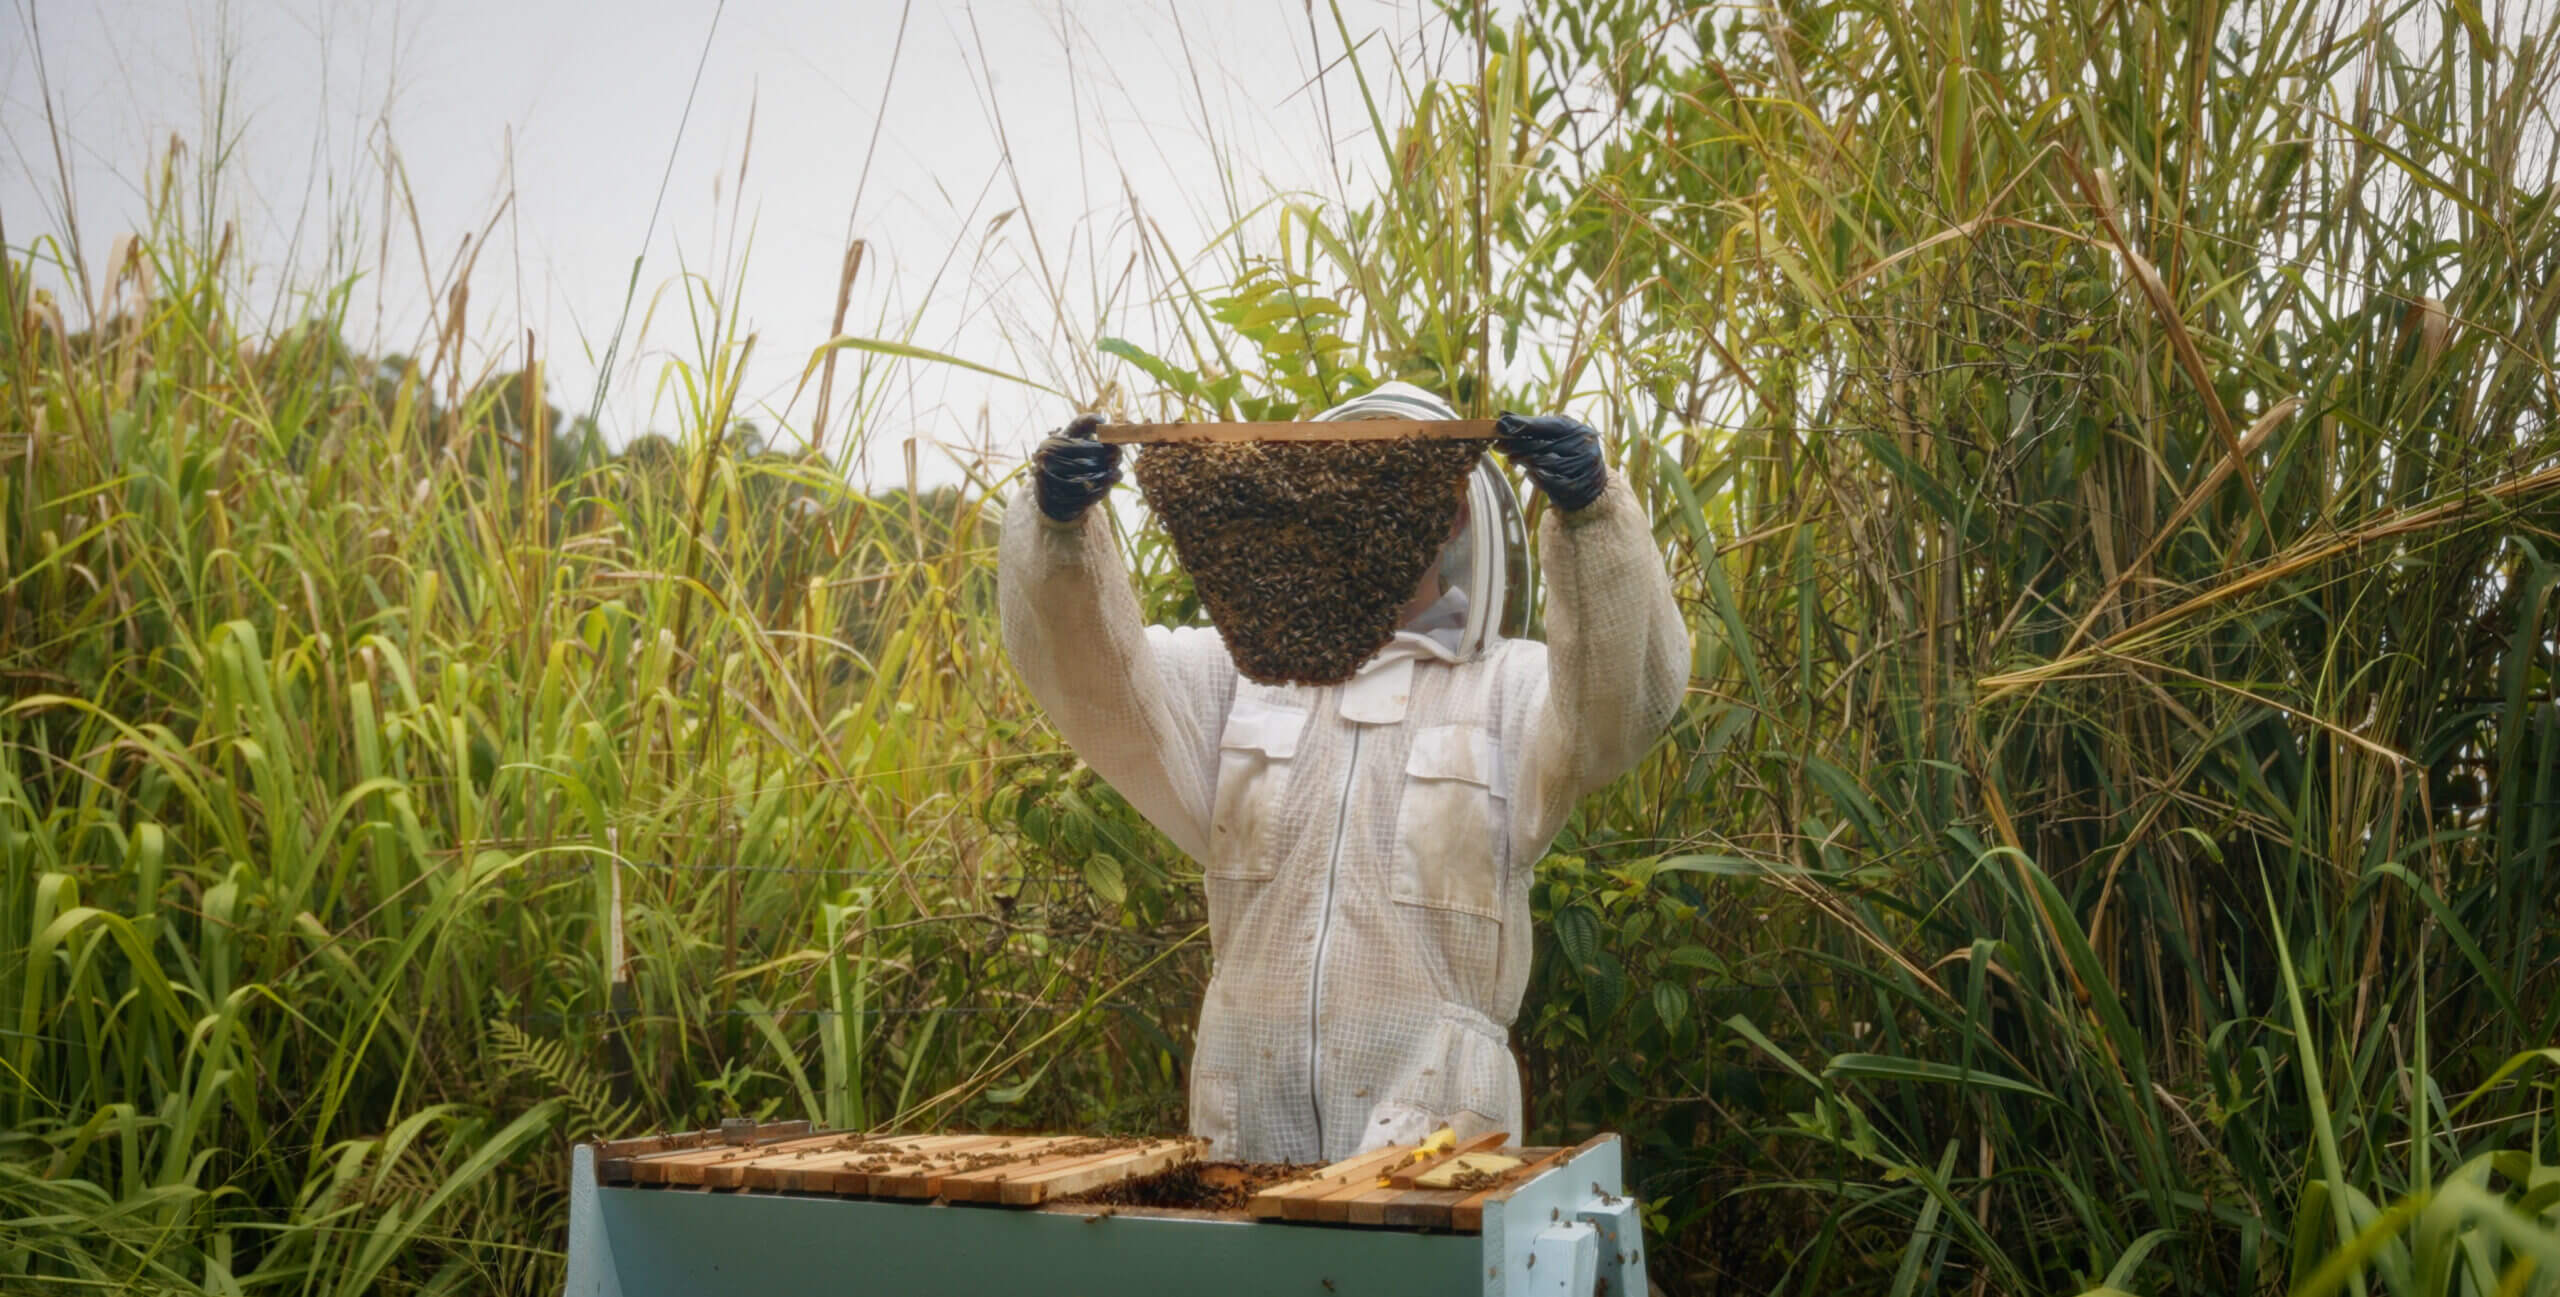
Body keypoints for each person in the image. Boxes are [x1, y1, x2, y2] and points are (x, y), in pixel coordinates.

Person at [997, 382, 1688, 1164]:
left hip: (1437, 1144)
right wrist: (1059, 531)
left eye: (1385, 491)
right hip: (1243, 1127)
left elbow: (1622, 704)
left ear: (1451, 515)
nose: (1353, 520)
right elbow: (1097, 677)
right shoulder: (1238, 680)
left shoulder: (1511, 689)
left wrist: (1595, 518)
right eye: (1338, 498)